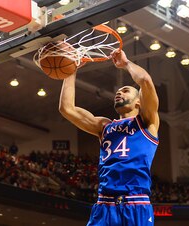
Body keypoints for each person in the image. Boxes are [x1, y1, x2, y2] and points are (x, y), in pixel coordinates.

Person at [59, 49, 159, 226]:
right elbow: (67, 109)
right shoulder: (104, 126)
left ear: (139, 102)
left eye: (126, 91)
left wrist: (126, 63)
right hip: (105, 204)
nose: (119, 93)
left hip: (136, 203)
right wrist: (70, 69)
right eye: (118, 92)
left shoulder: (147, 121)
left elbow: (145, 81)